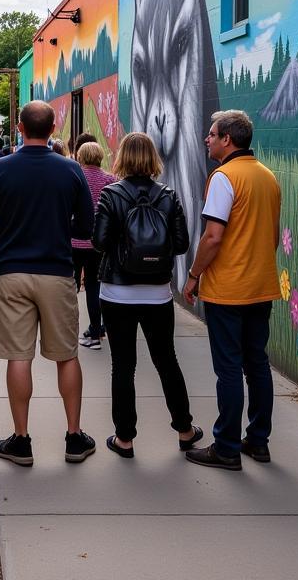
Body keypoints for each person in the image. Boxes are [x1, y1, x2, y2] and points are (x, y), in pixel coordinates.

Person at [0, 100, 96, 467]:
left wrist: (8, 225)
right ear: (53, 128)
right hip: (57, 272)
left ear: (20, 129)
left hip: (11, 272)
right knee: (66, 355)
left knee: (19, 356)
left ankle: (22, 440)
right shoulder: (71, 170)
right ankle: (74, 437)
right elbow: (86, 227)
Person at [92, 132, 202, 458]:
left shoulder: (111, 195)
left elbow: (98, 241)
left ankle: (124, 438)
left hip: (116, 292)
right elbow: (181, 244)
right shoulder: (168, 195)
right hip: (157, 294)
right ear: (153, 158)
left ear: (122, 158)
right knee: (166, 360)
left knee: (123, 366)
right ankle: (184, 429)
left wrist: (123, 247)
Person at [183, 110, 281, 470]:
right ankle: (258, 441)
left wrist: (193, 275)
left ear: (227, 139)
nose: (207, 139)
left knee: (228, 368)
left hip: (228, 289)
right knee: (257, 363)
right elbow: (270, 235)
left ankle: (225, 446)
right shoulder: (267, 177)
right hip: (261, 286)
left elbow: (213, 236)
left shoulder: (223, 177)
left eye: (212, 134)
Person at [72, 142, 115, 350]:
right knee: (93, 287)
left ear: (80, 156)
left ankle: (66, 331)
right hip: (98, 244)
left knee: (69, 287)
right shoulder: (109, 179)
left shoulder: (74, 177)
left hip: (73, 242)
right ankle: (96, 331)